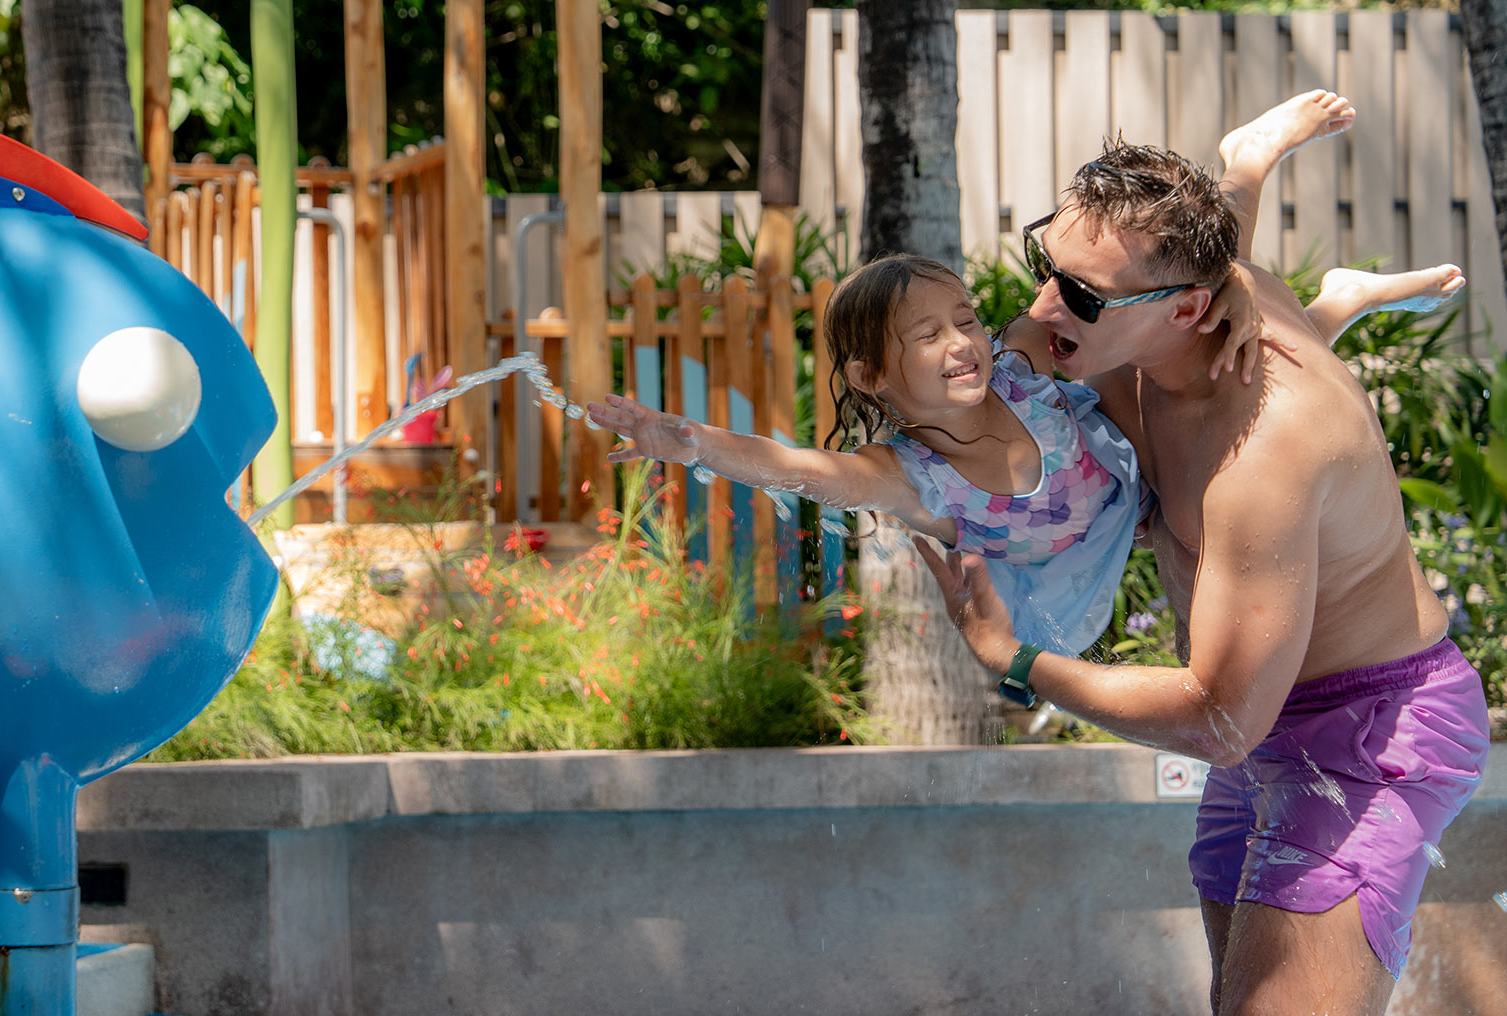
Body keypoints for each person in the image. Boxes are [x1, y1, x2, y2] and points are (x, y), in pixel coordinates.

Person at [913, 110, 1488, 1013]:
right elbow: (1046, 338)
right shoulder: (1154, 321)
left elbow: (1220, 720)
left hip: (1365, 732)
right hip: (1263, 710)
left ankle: (1320, 280)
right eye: (1044, 265)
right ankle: (1257, 178)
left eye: (1084, 296)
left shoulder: (1262, 458)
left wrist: (1015, 660)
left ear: (1188, 309)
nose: (1042, 308)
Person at [588, 91, 1463, 659]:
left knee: (1194, 326)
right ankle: (1336, 304)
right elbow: (796, 469)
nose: (965, 341)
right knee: (1190, 352)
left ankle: (1251, 169)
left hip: (1131, 474)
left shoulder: (1013, 362)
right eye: (927, 338)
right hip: (1095, 555)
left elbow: (1164, 275)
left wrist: (1228, 279)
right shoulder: (916, 482)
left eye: (965, 318)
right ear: (871, 374)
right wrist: (687, 441)